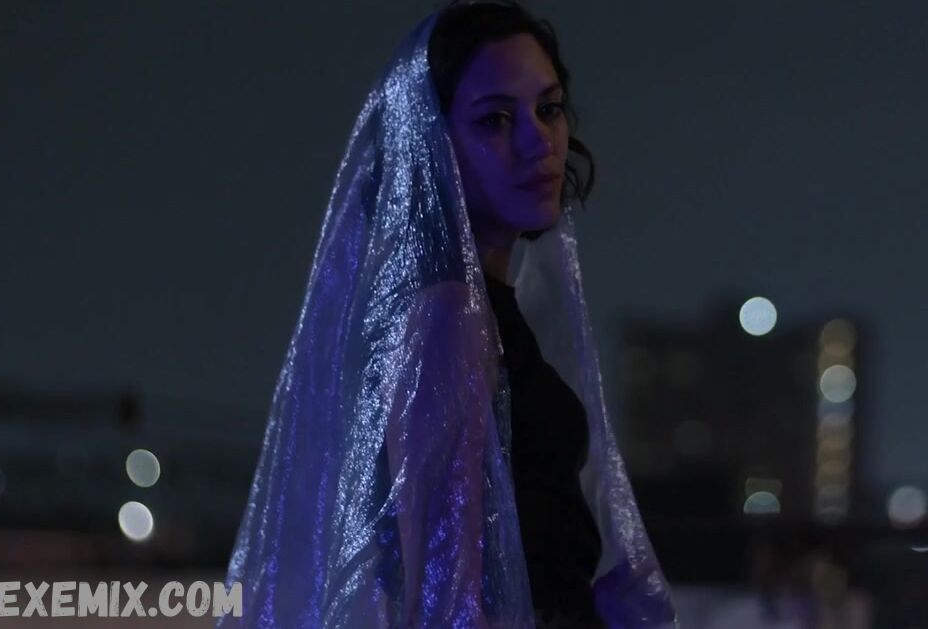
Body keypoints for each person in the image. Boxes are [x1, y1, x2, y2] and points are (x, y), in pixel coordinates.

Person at [218, 2, 677, 627]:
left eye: (548, 109)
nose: (537, 141)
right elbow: (448, 594)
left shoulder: (474, 309)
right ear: (432, 146)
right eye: (495, 120)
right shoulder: (449, 317)